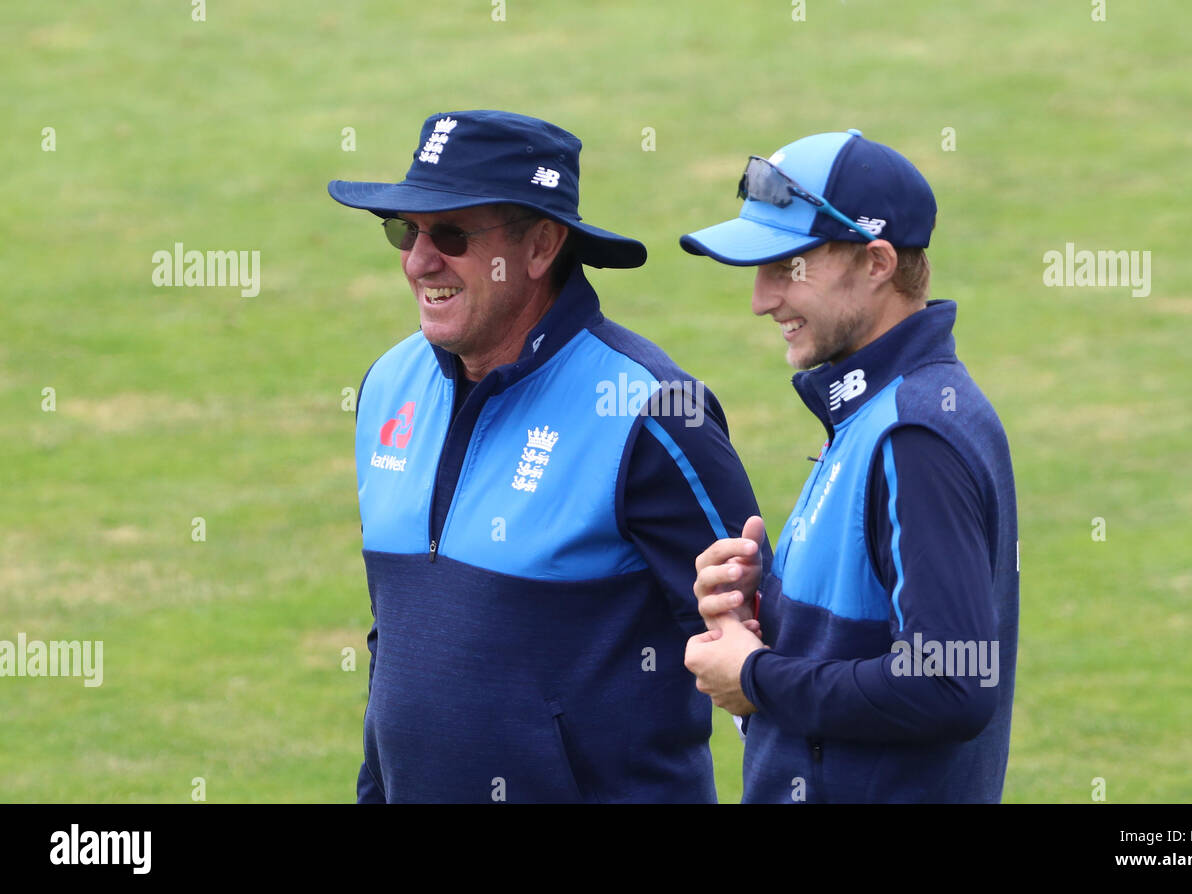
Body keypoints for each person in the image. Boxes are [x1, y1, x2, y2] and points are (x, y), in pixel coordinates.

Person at [327, 110, 765, 803]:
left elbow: (760, 653)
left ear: (541, 246)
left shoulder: (651, 411)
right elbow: (401, 646)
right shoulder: (387, 386)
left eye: (451, 234)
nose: (418, 260)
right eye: (404, 231)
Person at [679, 129, 1019, 803]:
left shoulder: (913, 435)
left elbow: (949, 685)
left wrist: (755, 677)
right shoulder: (873, 413)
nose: (761, 298)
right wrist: (764, 613)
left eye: (788, 267)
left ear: (877, 262)